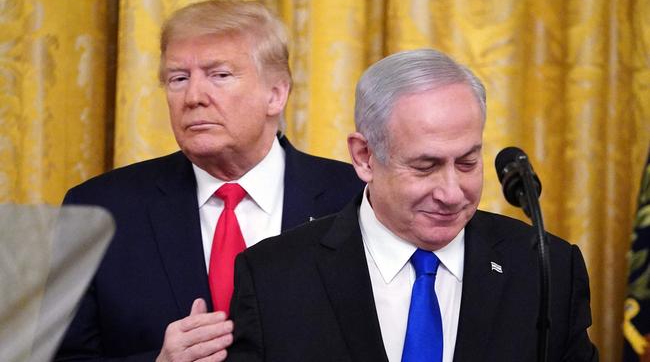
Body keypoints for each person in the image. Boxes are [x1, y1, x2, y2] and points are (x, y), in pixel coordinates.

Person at [227, 49, 599, 362]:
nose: (452, 193)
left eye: (468, 162)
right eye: (426, 167)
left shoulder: (547, 268)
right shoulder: (272, 278)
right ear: (364, 157)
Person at [54, 0, 363, 362]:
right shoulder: (99, 209)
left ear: (276, 94)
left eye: (219, 75)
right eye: (178, 79)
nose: (194, 97)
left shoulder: (356, 200)